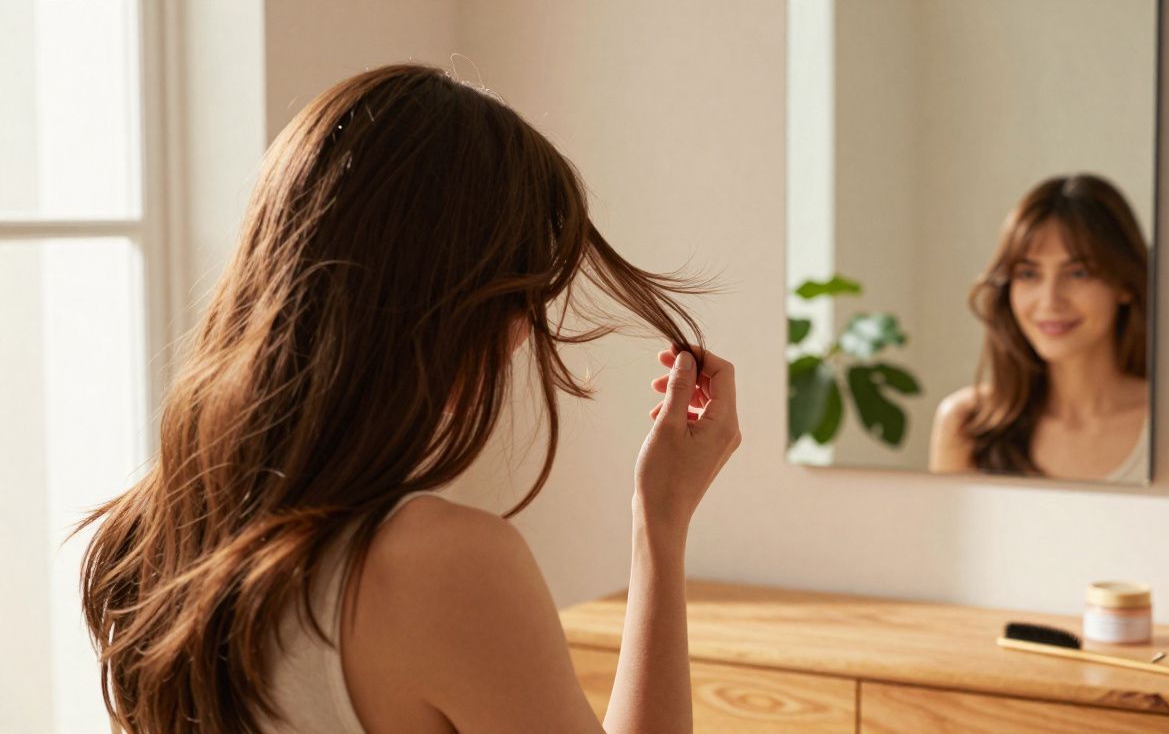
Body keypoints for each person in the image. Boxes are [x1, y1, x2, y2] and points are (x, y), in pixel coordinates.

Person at [76, 63, 740, 733]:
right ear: (441, 301)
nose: (519, 336)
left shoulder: (146, 543)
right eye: (520, 296)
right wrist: (661, 527)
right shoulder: (446, 566)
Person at [929, 173, 1149, 482]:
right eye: (1029, 274)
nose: (1050, 301)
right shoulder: (966, 424)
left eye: (1078, 273)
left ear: (1124, 284)